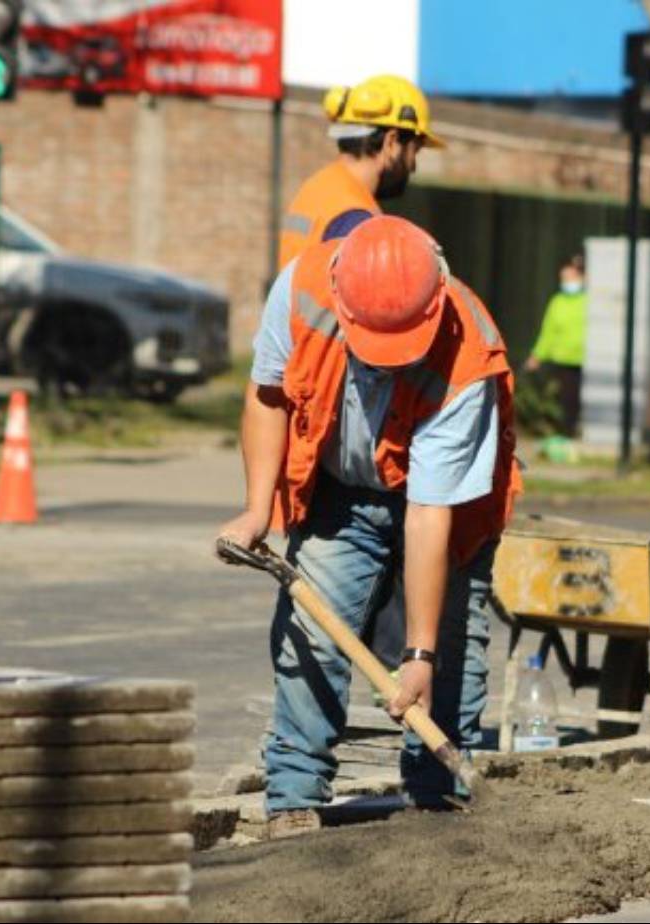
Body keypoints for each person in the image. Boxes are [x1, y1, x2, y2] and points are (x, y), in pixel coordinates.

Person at [218, 216, 522, 837]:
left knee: (450, 654)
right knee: (311, 633)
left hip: (445, 505)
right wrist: (256, 508)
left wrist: (418, 654)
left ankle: (441, 804)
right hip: (341, 491)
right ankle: (294, 800)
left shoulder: (468, 354)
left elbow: (430, 513)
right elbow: (267, 394)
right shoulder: (303, 287)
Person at [276, 75, 443, 271]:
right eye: (415, 151)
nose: (413, 166)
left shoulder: (317, 187)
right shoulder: (356, 221)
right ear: (391, 143)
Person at [524, 255, 588, 436]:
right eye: (564, 278)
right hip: (563, 359)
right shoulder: (557, 302)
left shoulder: (590, 301)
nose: (567, 282)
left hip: (586, 359)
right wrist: (537, 355)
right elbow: (548, 333)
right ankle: (569, 433)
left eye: (571, 278)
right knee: (567, 400)